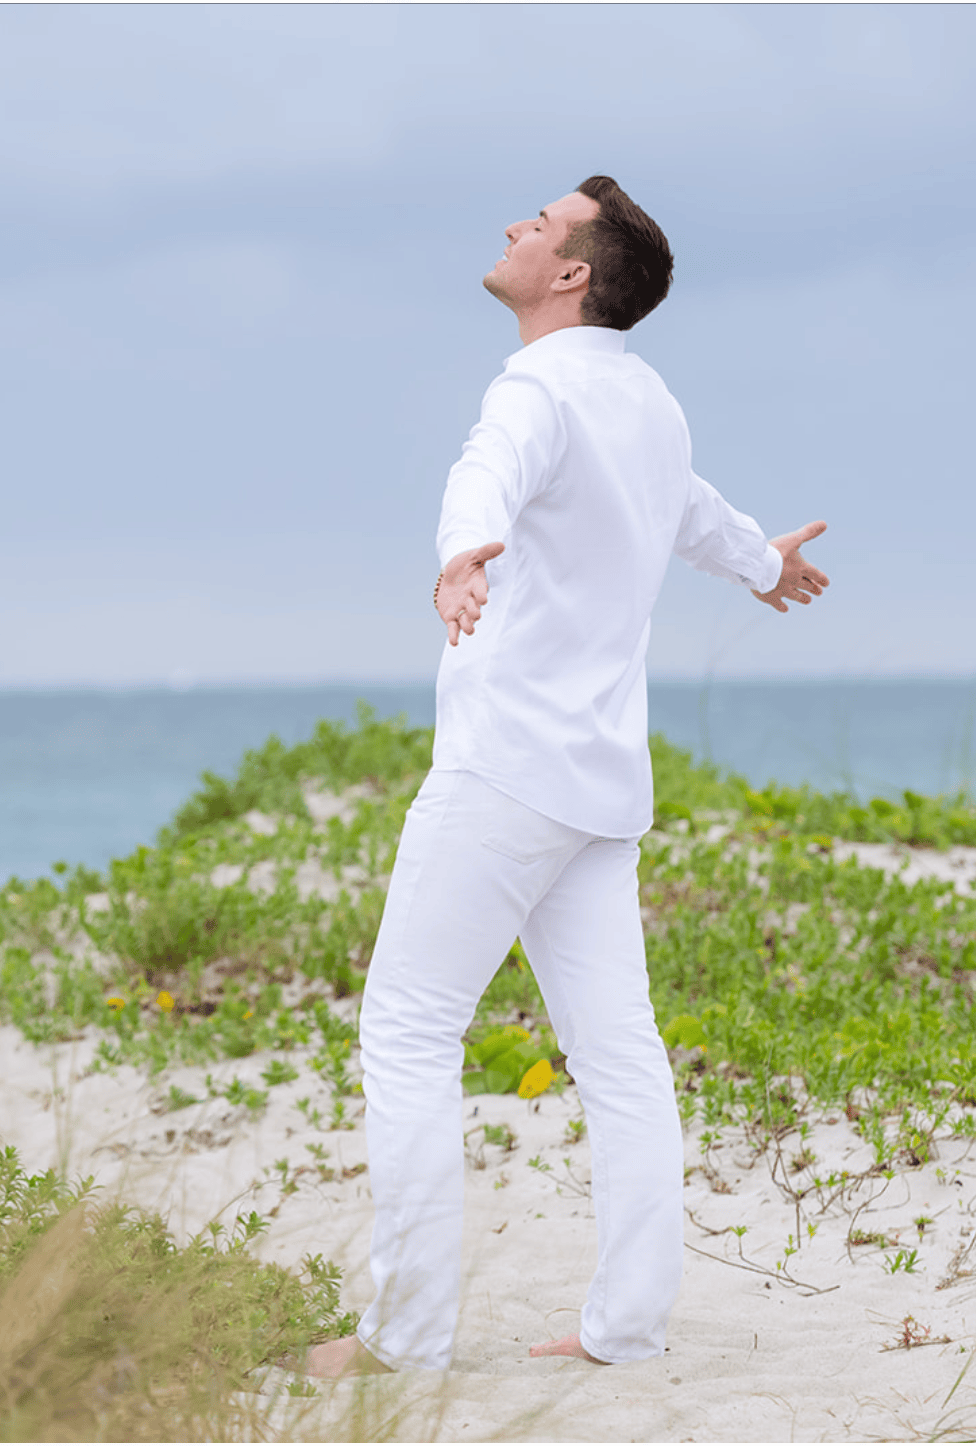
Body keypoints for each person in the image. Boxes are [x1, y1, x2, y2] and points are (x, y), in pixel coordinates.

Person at [306, 175, 829, 1379]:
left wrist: (458, 555)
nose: (511, 229)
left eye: (536, 227)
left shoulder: (535, 387)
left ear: (573, 276)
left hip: (506, 771)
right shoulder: (646, 401)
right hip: (596, 789)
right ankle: (626, 1329)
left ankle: (403, 1337)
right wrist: (759, 563)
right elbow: (684, 509)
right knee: (621, 1052)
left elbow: (486, 470)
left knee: (407, 1029)